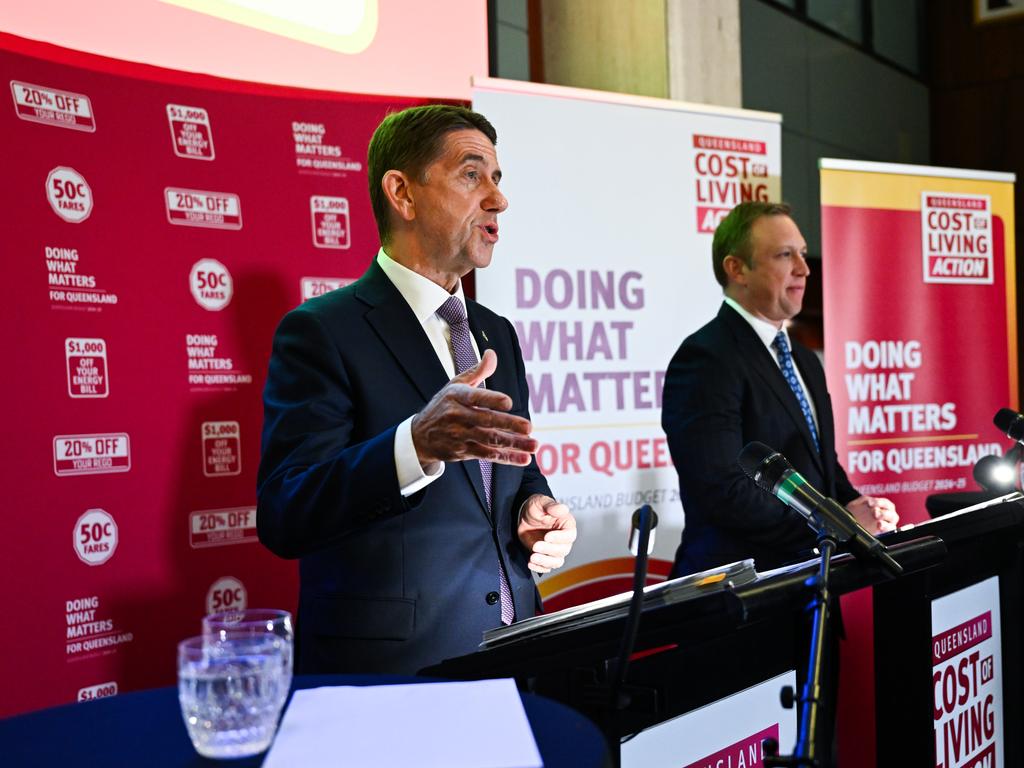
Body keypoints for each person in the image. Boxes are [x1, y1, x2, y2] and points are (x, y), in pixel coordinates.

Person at [257, 105, 577, 675]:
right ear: (402, 193)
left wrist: (535, 506)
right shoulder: (323, 332)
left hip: (518, 654)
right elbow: (287, 512)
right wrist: (416, 446)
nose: (498, 200)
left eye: (498, 179)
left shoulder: (494, 331)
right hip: (396, 671)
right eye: (471, 174)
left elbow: (512, 468)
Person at [662, 201, 897, 577]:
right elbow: (724, 490)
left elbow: (820, 465)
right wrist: (836, 526)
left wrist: (857, 505)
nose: (804, 269)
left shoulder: (805, 359)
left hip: (810, 583)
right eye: (785, 255)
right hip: (740, 596)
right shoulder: (706, 358)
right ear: (736, 268)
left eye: (802, 254)